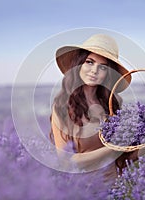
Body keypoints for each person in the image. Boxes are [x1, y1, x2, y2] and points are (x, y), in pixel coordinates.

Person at [50, 34, 137, 183]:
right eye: (89, 62)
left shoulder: (110, 106)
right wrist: (113, 148)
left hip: (115, 188)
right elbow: (66, 162)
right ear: (79, 65)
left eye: (102, 67)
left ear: (107, 74)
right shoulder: (62, 107)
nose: (94, 70)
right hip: (83, 190)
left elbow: (125, 157)